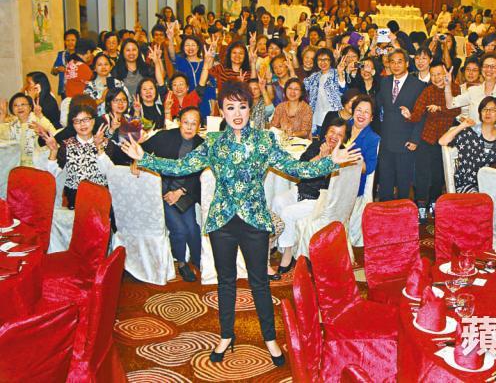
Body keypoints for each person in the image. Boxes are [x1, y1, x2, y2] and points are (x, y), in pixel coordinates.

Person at [119, 80, 360, 366]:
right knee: (226, 282)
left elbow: (296, 168)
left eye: (242, 107)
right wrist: (145, 158)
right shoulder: (213, 143)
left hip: (254, 220)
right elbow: (181, 166)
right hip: (222, 221)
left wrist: (331, 162)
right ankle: (226, 335)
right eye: (230, 107)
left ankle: (269, 338)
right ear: (221, 111)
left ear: (249, 109)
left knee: (259, 282)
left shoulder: (264, 141)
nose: (237, 113)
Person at [271, 117, 349, 273]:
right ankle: (275, 242)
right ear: (326, 133)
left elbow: (329, 183)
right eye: (332, 131)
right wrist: (320, 156)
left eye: (339, 134)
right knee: (278, 200)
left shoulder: (342, 155)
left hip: (319, 198)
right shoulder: (316, 145)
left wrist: (327, 159)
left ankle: (288, 255)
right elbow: (301, 166)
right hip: (302, 189)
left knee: (288, 213)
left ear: (344, 139)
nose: (334, 136)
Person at [139, 107, 204, 281]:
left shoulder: (201, 145)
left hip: (185, 193)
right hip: (163, 192)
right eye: (185, 122)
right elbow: (141, 150)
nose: (189, 127)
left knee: (193, 228)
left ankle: (198, 260)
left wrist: (181, 191)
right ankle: (182, 263)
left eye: (193, 124)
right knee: (180, 229)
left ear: (199, 126)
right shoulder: (164, 136)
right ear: (179, 122)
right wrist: (135, 162)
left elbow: (199, 175)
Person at [401, 61, 461, 221]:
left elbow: (457, 110)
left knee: (438, 173)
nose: (436, 78)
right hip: (427, 137)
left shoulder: (455, 89)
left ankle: (434, 201)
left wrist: (440, 108)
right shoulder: (427, 91)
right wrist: (410, 116)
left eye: (439, 74)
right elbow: (418, 111)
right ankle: (421, 204)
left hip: (445, 139)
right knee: (422, 172)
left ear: (446, 73)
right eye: (433, 75)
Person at [376, 48, 426, 201]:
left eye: (400, 62)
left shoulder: (418, 85)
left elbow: (422, 115)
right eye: (392, 62)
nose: (396, 65)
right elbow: (378, 106)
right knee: (385, 180)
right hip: (386, 140)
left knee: (404, 182)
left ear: (407, 63)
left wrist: (415, 139)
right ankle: (385, 211)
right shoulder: (385, 82)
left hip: (406, 141)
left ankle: (403, 211)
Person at [42, 105, 110, 208]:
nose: (82, 124)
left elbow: (109, 172)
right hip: (75, 200)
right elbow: (51, 175)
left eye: (86, 119)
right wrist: (54, 151)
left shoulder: (105, 143)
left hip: (101, 199)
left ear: (93, 121)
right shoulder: (67, 145)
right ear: (73, 125)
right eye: (77, 121)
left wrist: (99, 147)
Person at [439, 96, 496, 193]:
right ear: (480, 112)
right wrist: (463, 125)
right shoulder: (470, 132)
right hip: (465, 185)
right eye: (484, 109)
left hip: (490, 186)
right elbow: (442, 141)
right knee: (480, 198)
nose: (488, 112)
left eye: (492, 110)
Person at [0, 93, 56, 166]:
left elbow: (55, 134)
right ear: (12, 110)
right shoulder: (13, 124)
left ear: (30, 107)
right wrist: (3, 114)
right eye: (15, 105)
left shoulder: (38, 120)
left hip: (40, 163)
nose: (20, 107)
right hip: (19, 164)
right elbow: (2, 133)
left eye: (23, 104)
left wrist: (40, 117)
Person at [304, 48, 346, 134]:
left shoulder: (336, 72)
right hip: (317, 117)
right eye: (320, 59)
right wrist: (291, 69)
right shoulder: (314, 76)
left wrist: (340, 73)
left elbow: (343, 89)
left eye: (326, 59)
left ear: (331, 60)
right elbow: (302, 86)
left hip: (334, 117)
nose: (323, 62)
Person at [51, 29, 79, 98]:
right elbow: (53, 72)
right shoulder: (61, 55)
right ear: (64, 42)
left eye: (73, 40)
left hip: (78, 88)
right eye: (67, 40)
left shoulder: (81, 55)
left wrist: (67, 70)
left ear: (77, 41)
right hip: (64, 90)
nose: (70, 43)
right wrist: (57, 69)